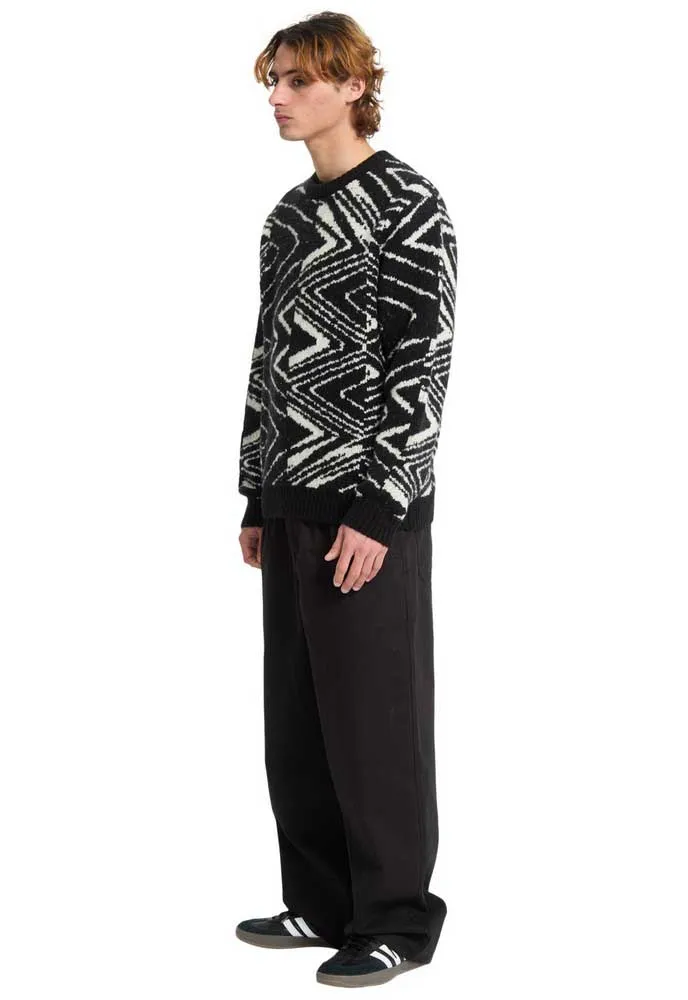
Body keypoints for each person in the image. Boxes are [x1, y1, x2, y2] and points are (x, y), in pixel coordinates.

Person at [234, 12, 458, 989]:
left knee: (376, 720)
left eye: (296, 80)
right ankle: (322, 903)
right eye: (272, 80)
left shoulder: (408, 205)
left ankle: (398, 919)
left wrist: (381, 505)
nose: (277, 97)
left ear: (352, 86)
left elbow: (424, 362)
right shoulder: (287, 218)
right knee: (297, 717)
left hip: (367, 505)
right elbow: (266, 360)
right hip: (290, 495)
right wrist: (256, 488)